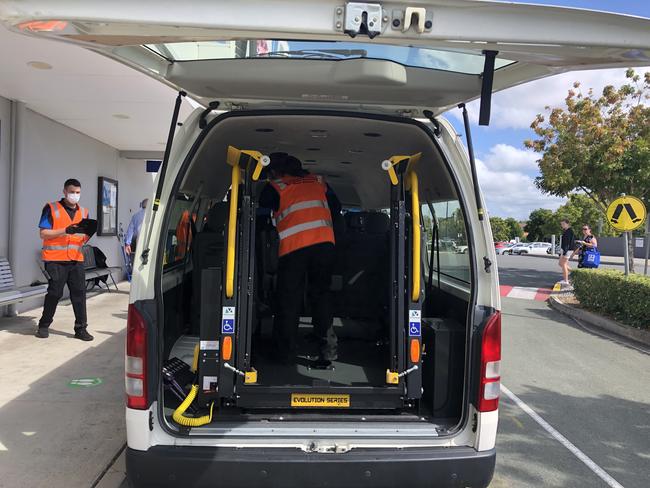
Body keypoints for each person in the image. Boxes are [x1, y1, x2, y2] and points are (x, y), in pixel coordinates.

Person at [259, 153, 341, 367]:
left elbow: (259, 212)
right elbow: (337, 208)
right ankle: (328, 352)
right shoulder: (319, 182)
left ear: (276, 171)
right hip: (324, 246)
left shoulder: (275, 187)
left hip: (294, 248)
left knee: (289, 300)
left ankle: (284, 353)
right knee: (321, 295)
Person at [36, 179, 94, 340]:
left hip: (76, 259)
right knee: (55, 293)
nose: (75, 195)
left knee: (79, 294)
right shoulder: (52, 208)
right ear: (64, 192)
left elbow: (83, 237)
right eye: (72, 192)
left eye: (78, 192)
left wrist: (88, 234)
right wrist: (65, 230)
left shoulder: (84, 212)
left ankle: (81, 329)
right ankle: (43, 325)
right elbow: (43, 233)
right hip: (55, 259)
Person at [558, 218, 576, 284]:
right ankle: (575, 273)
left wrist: (564, 252)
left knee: (563, 264)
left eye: (563, 224)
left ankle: (566, 281)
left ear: (567, 224)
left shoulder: (569, 231)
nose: (562, 225)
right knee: (560, 263)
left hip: (567, 250)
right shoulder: (567, 231)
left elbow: (567, 243)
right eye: (561, 224)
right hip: (566, 249)